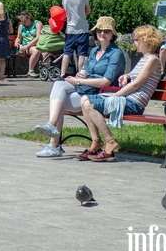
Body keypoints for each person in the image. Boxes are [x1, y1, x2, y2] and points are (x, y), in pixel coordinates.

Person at [32, 16, 126, 158]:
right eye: (99, 30)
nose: (102, 33)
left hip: (99, 95)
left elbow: (106, 81)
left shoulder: (116, 53)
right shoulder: (94, 51)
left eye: (106, 31)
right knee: (58, 85)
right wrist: (81, 76)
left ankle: (54, 145)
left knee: (58, 103)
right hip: (86, 89)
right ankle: (51, 129)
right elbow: (87, 71)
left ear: (112, 34)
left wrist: (78, 82)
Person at [78, 25, 163, 162]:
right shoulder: (144, 58)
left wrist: (115, 96)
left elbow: (136, 84)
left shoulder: (152, 60)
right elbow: (136, 77)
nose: (134, 43)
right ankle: (96, 141)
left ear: (147, 40)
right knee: (84, 99)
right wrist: (127, 76)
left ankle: (110, 141)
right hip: (127, 99)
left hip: (135, 102)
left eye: (137, 40)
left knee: (89, 105)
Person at [61, 0, 92, 78]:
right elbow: (88, 11)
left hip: (70, 28)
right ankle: (80, 73)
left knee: (67, 52)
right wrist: (83, 13)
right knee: (82, 53)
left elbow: (63, 10)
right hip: (82, 28)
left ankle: (62, 73)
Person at [16, 11, 44, 78]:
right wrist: (17, 42)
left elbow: (38, 37)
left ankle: (48, 71)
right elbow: (18, 38)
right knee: (36, 51)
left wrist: (27, 46)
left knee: (46, 53)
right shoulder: (21, 26)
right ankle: (30, 70)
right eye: (22, 21)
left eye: (25, 21)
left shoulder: (37, 23)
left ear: (29, 18)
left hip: (38, 44)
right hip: (27, 45)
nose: (23, 23)